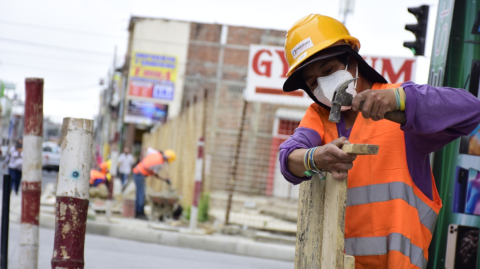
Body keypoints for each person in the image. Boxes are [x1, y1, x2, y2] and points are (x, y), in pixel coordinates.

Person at [279, 14, 480, 269]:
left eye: (328, 71)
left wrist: (400, 100)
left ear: (351, 61)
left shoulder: (403, 107)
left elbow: (472, 109)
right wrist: (314, 158)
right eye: (312, 83)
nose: (323, 85)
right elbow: (288, 159)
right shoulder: (319, 118)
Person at [131, 149, 176, 220]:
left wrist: (164, 179)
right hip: (139, 174)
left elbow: (148, 149)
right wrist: (165, 179)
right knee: (141, 194)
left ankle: (139, 212)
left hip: (138, 173)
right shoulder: (159, 162)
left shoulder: (156, 154)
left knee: (140, 194)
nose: (166, 162)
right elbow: (155, 174)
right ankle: (139, 213)